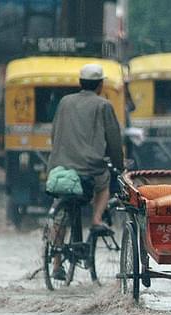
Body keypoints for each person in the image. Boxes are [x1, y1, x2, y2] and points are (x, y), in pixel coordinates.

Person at [48, 63, 124, 231]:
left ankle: (55, 256)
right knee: (104, 183)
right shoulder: (103, 105)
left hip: (60, 167)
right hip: (89, 169)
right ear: (100, 85)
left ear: (80, 82)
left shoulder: (64, 102)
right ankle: (96, 219)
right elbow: (114, 141)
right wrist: (119, 166)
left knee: (60, 211)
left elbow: (54, 133)